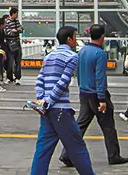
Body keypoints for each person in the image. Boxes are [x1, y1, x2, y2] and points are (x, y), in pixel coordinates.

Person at [59, 24, 128, 167]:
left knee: (80, 125)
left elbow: (77, 72)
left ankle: (66, 154)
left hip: (84, 93)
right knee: (108, 126)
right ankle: (113, 155)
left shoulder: (82, 51)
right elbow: (100, 77)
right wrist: (102, 99)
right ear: (103, 37)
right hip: (97, 95)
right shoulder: (100, 54)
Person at [30, 26, 95, 175]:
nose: (76, 40)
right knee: (77, 147)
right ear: (69, 39)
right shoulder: (72, 57)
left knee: (43, 149)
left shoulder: (48, 56)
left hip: (46, 110)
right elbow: (63, 82)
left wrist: (42, 101)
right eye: (75, 37)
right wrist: (49, 101)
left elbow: (40, 79)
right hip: (60, 110)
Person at [5, 8, 23, 85]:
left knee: (18, 61)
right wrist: (16, 30)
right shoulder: (7, 22)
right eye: (16, 14)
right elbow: (8, 32)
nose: (17, 15)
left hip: (17, 42)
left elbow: (21, 29)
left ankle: (18, 77)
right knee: (10, 61)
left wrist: (15, 30)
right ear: (13, 14)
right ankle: (9, 77)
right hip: (10, 44)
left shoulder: (17, 22)